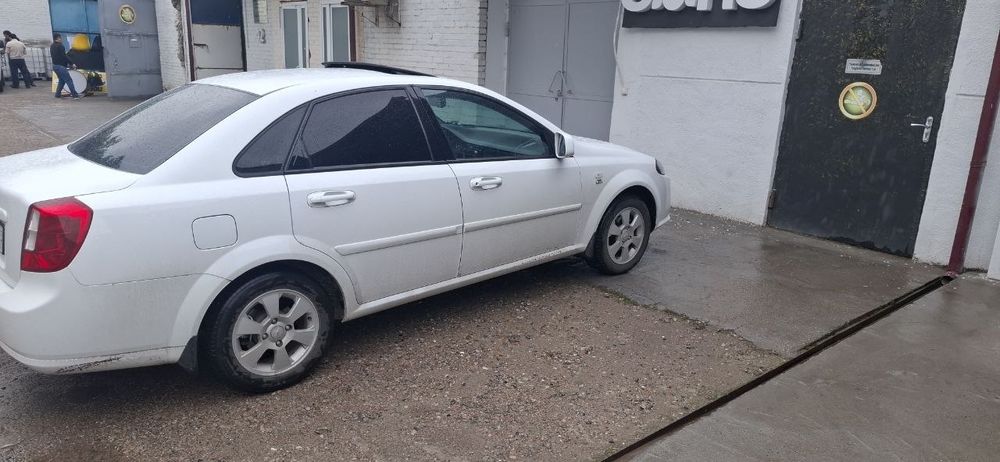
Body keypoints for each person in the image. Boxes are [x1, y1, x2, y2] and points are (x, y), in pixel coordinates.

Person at [50, 33, 80, 99]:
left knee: (62, 80)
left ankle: (57, 94)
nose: (61, 39)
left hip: (55, 66)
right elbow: (64, 56)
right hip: (61, 67)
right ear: (58, 38)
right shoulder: (60, 46)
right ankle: (75, 95)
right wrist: (72, 63)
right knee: (69, 80)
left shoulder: (52, 45)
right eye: (60, 38)